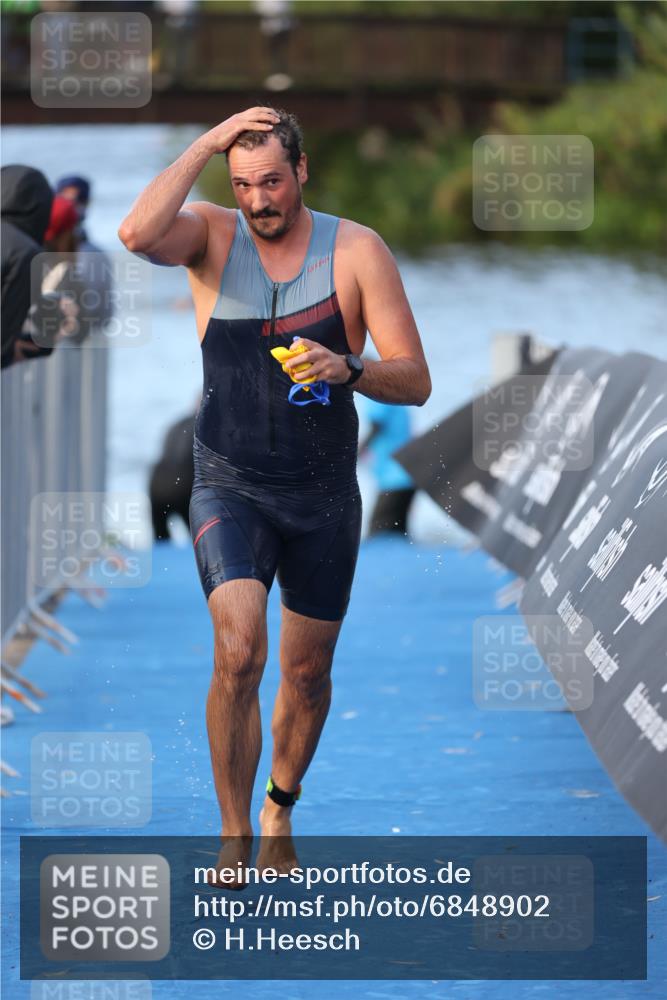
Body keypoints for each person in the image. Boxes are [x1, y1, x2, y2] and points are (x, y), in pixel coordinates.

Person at [118, 107, 431, 881]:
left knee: (306, 673)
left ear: (301, 173)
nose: (258, 200)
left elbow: (415, 380)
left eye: (272, 183)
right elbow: (133, 235)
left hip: (322, 494)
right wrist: (202, 146)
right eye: (243, 184)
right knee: (238, 650)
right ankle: (232, 834)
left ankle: (278, 805)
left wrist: (346, 367)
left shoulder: (356, 250)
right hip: (228, 480)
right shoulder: (211, 235)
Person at [359, 397, 416, 537]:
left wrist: (355, 453)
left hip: (395, 478)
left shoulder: (377, 392)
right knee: (397, 534)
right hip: (406, 474)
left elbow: (376, 426)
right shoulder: (396, 394)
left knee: (378, 533)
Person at [149, 410, 195, 542]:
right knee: (198, 539)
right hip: (183, 485)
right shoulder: (207, 424)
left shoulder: (176, 425)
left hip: (157, 481)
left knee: (160, 538)